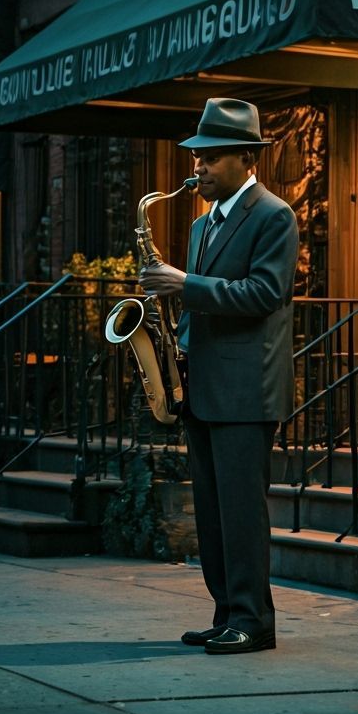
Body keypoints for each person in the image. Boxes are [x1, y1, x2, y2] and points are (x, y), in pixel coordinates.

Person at [139, 97, 299, 655]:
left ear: (246, 158)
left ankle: (254, 621)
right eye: (197, 157)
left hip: (246, 390)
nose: (198, 167)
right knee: (211, 514)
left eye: (210, 157)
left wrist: (184, 284)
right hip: (204, 387)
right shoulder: (201, 225)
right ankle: (227, 612)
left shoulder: (275, 216)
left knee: (241, 513)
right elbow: (199, 305)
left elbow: (264, 294)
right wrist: (173, 355)